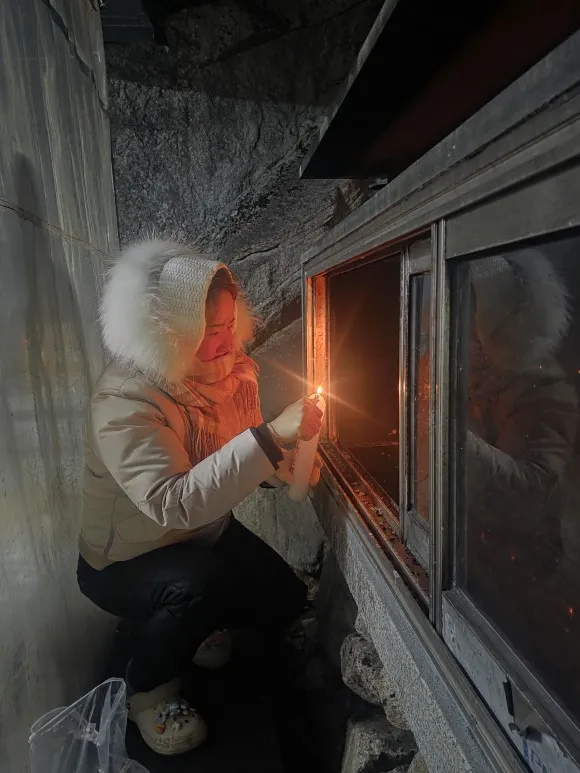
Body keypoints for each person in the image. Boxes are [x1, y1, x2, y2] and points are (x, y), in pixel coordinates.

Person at [76, 239, 323, 756]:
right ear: (170, 332)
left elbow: (233, 454)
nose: (227, 342)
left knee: (283, 598)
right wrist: (270, 439)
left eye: (229, 324)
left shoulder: (226, 373)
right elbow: (174, 502)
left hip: (201, 533)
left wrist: (283, 464)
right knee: (202, 586)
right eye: (211, 331)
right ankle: (147, 689)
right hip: (126, 559)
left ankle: (196, 628)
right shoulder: (124, 398)